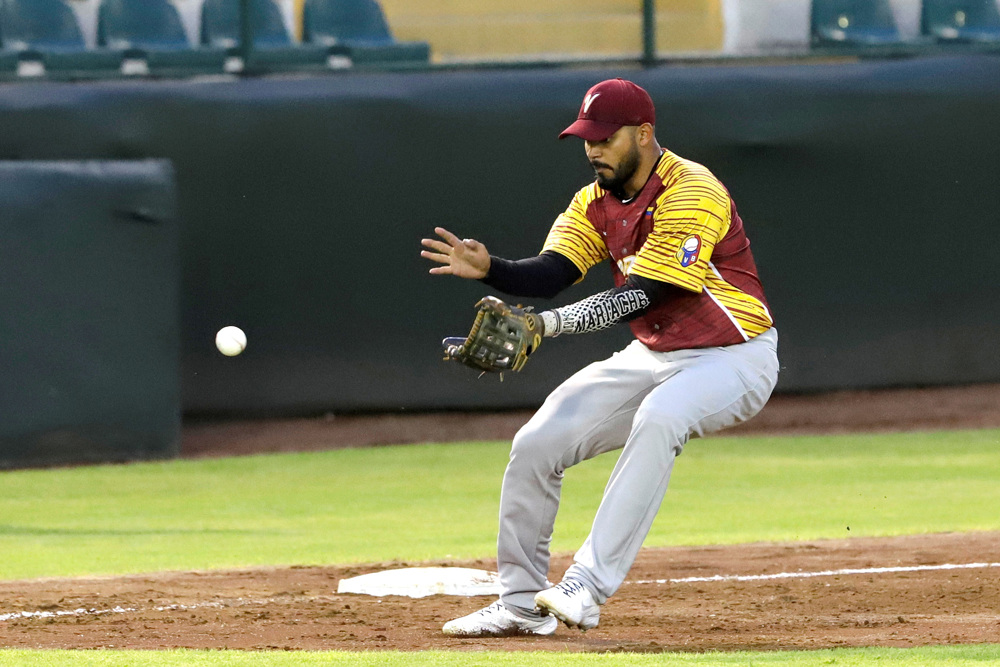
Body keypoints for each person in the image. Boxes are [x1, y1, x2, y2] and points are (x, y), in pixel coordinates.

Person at [420, 78, 779, 637]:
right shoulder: (594, 200)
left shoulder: (692, 189)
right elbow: (553, 272)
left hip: (733, 357)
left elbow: (648, 291)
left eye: (605, 138)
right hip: (654, 354)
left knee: (661, 418)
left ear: (644, 133)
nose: (592, 149)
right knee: (536, 443)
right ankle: (518, 604)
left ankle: (585, 586)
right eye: (585, 138)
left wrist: (548, 326)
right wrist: (492, 268)